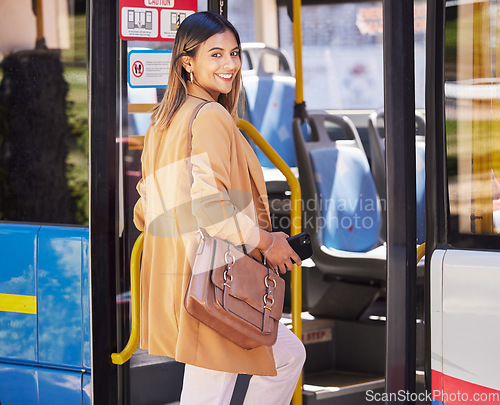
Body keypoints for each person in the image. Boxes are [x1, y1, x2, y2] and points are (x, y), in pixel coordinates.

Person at [133, 11, 306, 405]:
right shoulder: (210, 115)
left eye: (234, 53)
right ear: (187, 63)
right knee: (226, 379)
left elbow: (145, 208)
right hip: (213, 278)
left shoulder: (162, 120)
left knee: (275, 358)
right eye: (216, 55)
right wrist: (265, 241)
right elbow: (211, 208)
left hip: (180, 274)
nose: (229, 65)